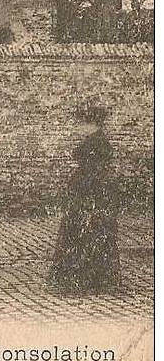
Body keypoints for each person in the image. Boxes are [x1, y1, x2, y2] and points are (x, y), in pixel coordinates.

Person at [49, 101, 119, 296]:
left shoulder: (96, 144)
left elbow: (95, 175)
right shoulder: (94, 142)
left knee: (86, 236)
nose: (79, 127)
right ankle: (89, 278)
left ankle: (85, 279)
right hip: (86, 197)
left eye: (83, 123)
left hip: (90, 198)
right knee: (85, 236)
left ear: (92, 123)